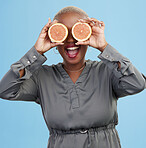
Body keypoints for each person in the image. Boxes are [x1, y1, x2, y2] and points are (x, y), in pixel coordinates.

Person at [0, 6, 145, 148]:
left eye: (77, 31)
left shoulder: (108, 70)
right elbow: (5, 90)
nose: (70, 40)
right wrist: (35, 52)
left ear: (88, 35)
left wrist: (104, 47)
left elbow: (137, 84)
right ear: (54, 40)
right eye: (63, 33)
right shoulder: (41, 77)